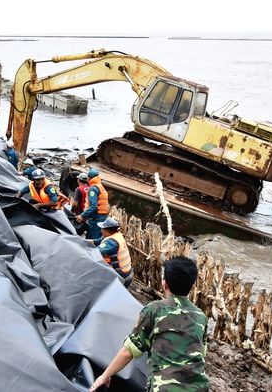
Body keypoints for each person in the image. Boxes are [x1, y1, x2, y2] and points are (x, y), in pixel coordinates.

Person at [90, 256, 208, 392]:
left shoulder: (155, 310)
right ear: (192, 286)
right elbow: (200, 353)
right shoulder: (201, 317)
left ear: (165, 284)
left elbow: (128, 352)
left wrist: (104, 376)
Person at [91, 218, 133, 287]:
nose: (101, 230)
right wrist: (82, 241)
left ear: (106, 230)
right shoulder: (115, 235)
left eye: (102, 228)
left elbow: (95, 251)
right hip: (127, 274)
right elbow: (96, 241)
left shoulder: (111, 243)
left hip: (121, 278)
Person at [76, 168, 108, 240]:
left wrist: (82, 215)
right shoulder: (100, 186)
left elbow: (93, 206)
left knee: (91, 241)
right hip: (102, 218)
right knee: (97, 239)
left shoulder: (93, 188)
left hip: (95, 220)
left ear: (89, 178)